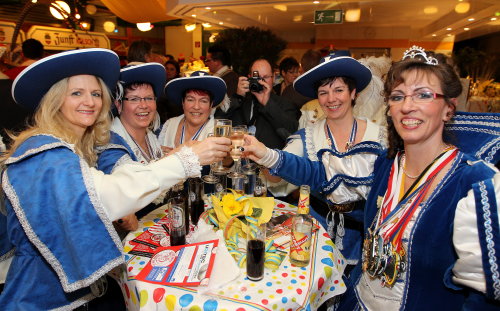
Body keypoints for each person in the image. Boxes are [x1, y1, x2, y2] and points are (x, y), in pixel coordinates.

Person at [243, 47, 500, 310]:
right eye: (398, 96)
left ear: (449, 108)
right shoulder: (387, 164)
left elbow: (483, 298)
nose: (408, 106)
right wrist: (266, 155)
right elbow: (322, 176)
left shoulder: (477, 185)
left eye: (423, 95)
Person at [0, 48, 230, 310]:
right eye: (77, 93)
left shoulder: (71, 146)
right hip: (40, 298)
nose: (90, 101)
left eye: (96, 93)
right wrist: (185, 159)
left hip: (76, 293)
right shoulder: (45, 152)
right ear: (55, 100)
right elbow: (105, 196)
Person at [265, 53, 386, 268]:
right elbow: (276, 178)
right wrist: (263, 159)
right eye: (324, 92)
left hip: (363, 238)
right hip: (315, 234)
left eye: (338, 90)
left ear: (353, 92)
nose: (331, 99)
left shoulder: (379, 137)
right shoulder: (309, 137)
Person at [97, 62, 166, 230]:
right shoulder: (110, 144)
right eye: (134, 99)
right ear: (119, 105)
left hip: (156, 224)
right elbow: (117, 193)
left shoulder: (150, 136)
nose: (144, 105)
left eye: (149, 98)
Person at [217, 58, 298, 150]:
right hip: (238, 160)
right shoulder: (239, 102)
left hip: (268, 162)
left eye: (266, 77)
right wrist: (238, 97)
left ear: (274, 78)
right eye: (257, 77)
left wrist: (267, 103)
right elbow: (218, 120)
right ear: (248, 78)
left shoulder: (285, 104)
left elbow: (292, 131)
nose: (261, 82)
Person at [159, 71, 226, 153]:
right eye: (190, 100)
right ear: (183, 103)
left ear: (211, 105)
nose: (196, 107)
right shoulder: (168, 126)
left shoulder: (220, 131)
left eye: (203, 101)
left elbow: (228, 162)